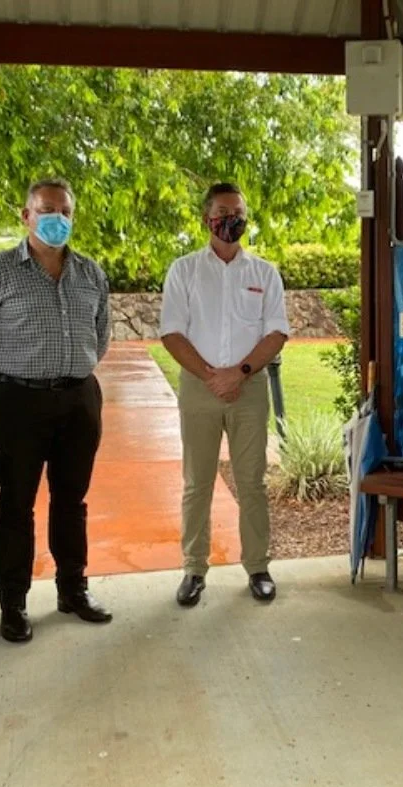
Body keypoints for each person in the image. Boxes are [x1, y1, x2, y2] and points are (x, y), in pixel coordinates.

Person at [0, 178, 112, 643]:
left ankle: (73, 589)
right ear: (26, 215)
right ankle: (13, 603)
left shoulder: (90, 273)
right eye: (46, 210)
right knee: (16, 503)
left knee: (72, 500)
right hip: (19, 402)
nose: (56, 218)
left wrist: (69, 370)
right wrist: (15, 374)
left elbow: (100, 336)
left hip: (79, 400)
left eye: (65, 211)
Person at [160, 182, 289, 606]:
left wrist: (240, 373)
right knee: (197, 482)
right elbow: (172, 333)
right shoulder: (184, 271)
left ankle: (258, 566)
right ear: (207, 219)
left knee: (252, 481)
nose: (231, 220)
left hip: (249, 390)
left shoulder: (264, 273)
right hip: (199, 389)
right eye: (222, 213)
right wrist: (212, 377)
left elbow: (276, 332)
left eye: (238, 213)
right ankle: (194, 569)